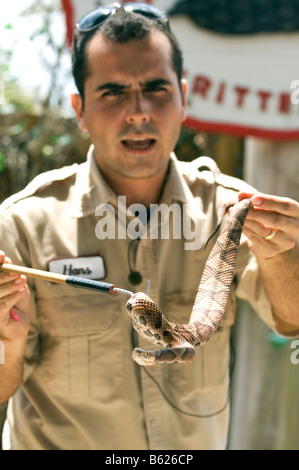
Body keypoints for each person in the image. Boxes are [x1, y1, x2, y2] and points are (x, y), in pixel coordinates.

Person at [0, 2, 298, 451]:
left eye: (156, 88)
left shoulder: (232, 206)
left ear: (183, 98)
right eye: (113, 92)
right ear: (79, 110)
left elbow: (291, 319)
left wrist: (286, 258)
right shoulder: (23, 223)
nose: (138, 111)